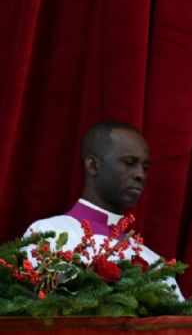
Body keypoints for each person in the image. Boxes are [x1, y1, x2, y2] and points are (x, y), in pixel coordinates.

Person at [24, 121, 182, 298]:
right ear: (93, 165)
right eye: (129, 162)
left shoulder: (153, 262)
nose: (140, 174)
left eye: (145, 167)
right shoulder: (49, 233)